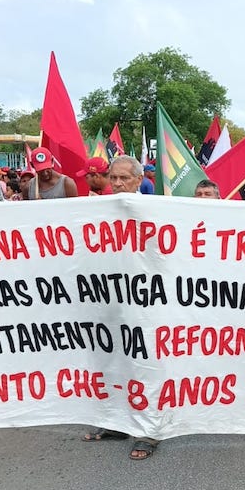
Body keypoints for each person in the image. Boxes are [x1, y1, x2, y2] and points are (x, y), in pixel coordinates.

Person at [82, 155, 160, 459]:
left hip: (144, 303)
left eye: (123, 178)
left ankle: (148, 431)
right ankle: (117, 422)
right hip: (109, 299)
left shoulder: (153, 210)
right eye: (112, 178)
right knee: (114, 362)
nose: (116, 183)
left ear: (138, 180)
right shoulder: (97, 210)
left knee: (145, 366)